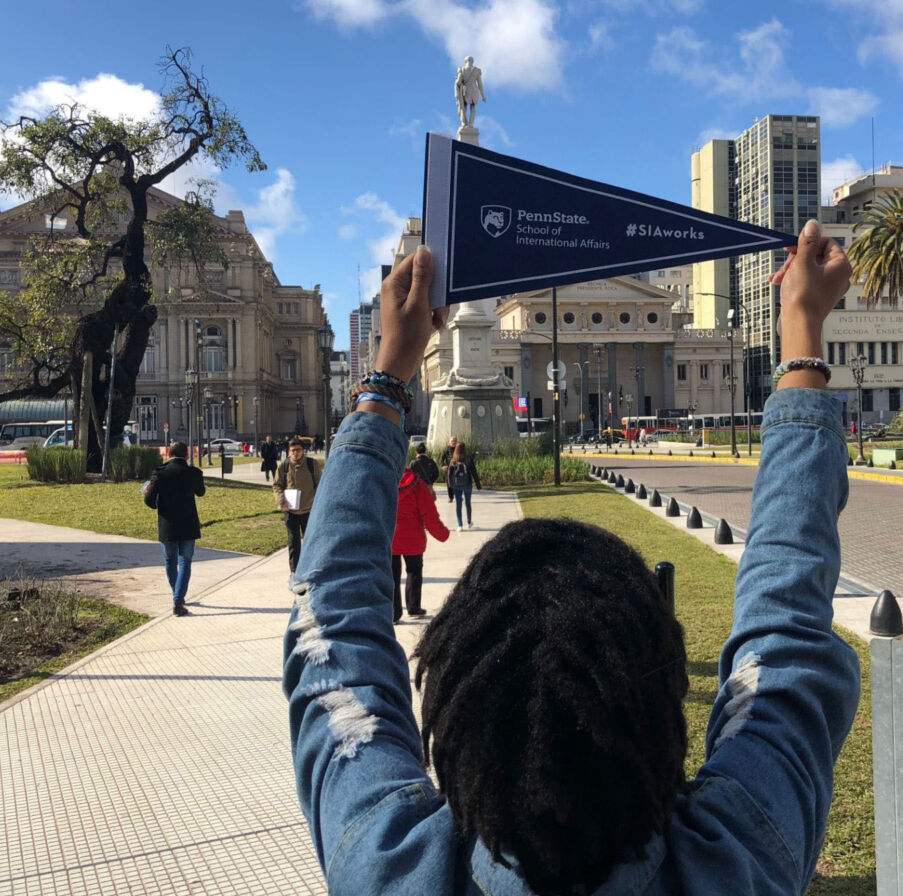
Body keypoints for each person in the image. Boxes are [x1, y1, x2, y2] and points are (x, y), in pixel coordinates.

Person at [284, 223, 860, 894]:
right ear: (665, 715)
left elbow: (331, 626)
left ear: (451, 728)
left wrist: (387, 376)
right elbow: (786, 629)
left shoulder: (386, 866)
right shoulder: (738, 860)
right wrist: (803, 329)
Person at [143, 440, 205, 617]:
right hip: (188, 523)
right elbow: (201, 492)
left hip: (167, 524)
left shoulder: (160, 473)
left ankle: (177, 595)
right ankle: (178, 599)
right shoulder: (193, 473)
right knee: (185, 561)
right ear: (187, 454)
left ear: (169, 454)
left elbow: (148, 499)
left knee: (170, 561)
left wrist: (158, 505)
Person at [392, 459, 450, 622]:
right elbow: (429, 513)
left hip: (390, 538)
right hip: (413, 538)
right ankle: (414, 607)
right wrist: (442, 533)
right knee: (414, 571)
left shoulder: (384, 482)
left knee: (392, 575)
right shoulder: (417, 484)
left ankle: (393, 612)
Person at [274, 437, 323, 578]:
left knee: (310, 541)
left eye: (298, 450)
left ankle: (310, 568)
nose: (295, 453)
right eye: (292, 450)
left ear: (303, 451)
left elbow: (320, 485)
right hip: (291, 511)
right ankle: (294, 572)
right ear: (289, 452)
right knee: (293, 541)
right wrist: (281, 501)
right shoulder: (284, 466)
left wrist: (316, 503)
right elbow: (277, 485)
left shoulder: (312, 464)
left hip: (309, 510)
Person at [446, 442, 481, 530]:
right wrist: (478, 484)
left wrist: (450, 484)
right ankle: (469, 522)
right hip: (467, 484)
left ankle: (460, 525)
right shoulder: (468, 459)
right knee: (468, 503)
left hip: (456, 485)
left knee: (458, 504)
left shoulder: (453, 460)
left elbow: (449, 474)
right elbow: (474, 472)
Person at [442, 435, 458, 502]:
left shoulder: (459, 449)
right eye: (452, 441)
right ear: (449, 442)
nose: (453, 442)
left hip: (458, 469)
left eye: (455, 441)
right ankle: (451, 497)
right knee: (449, 484)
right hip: (449, 470)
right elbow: (442, 459)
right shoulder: (446, 449)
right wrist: (443, 465)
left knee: (457, 483)